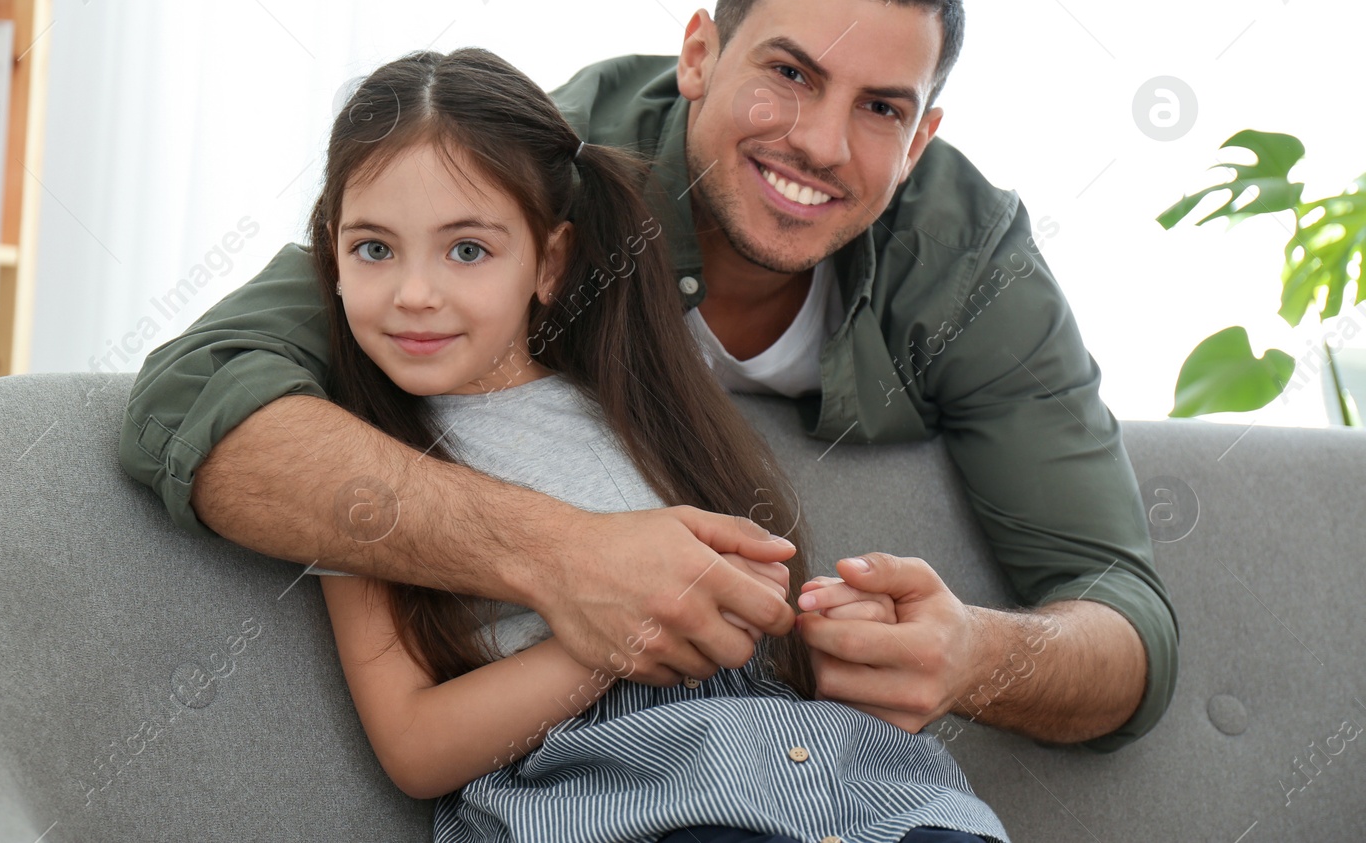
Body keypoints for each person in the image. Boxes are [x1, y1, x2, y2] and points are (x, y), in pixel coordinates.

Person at [119, 0, 1178, 752]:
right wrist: (562, 555)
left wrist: (980, 655)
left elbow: (1122, 615)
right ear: (699, 54)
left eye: (879, 109)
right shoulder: (541, 175)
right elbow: (194, 394)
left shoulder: (971, 259)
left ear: (923, 137)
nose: (817, 141)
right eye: (788, 72)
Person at [308, 45, 1010, 843]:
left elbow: (758, 647)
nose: (415, 293)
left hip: (818, 776)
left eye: (467, 249)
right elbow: (415, 747)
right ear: (331, 252)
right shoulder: (362, 465)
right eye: (373, 249)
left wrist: (831, 627)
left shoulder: (631, 396)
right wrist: (622, 631)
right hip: (608, 797)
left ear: (551, 259)